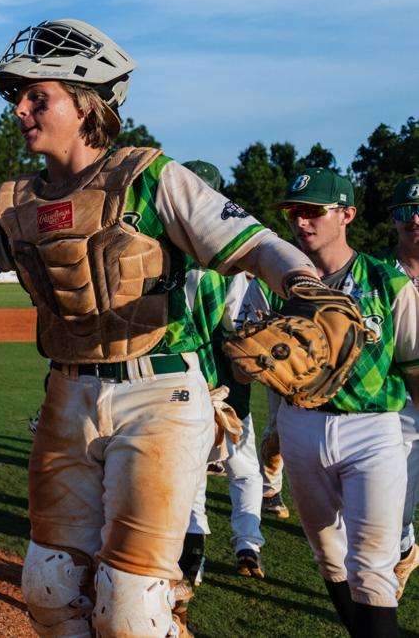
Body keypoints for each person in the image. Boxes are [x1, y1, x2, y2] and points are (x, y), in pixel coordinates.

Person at [0, 18, 323, 638]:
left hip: (160, 392)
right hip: (67, 394)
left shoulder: (152, 177)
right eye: (17, 97)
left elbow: (258, 245)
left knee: (132, 606)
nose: (19, 109)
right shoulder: (14, 202)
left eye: (35, 96)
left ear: (84, 105)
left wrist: (307, 289)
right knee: (48, 588)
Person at [245, 168, 419, 636]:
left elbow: (414, 366)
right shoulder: (273, 284)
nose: (301, 222)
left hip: (374, 430)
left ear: (346, 214)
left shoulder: (387, 282)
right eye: (294, 213)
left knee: (373, 565)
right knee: (327, 554)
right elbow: (255, 362)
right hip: (301, 427)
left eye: (313, 211)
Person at [175, 161, 266, 608]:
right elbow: (242, 329)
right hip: (227, 381)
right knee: (243, 467)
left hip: (178, 382)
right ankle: (247, 542)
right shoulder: (232, 262)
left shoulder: (157, 251)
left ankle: (195, 557)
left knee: (190, 474)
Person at [373, 177, 419, 598]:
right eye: (407, 211)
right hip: (402, 404)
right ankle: (405, 551)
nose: (416, 219)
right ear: (394, 220)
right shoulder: (378, 275)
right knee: (396, 503)